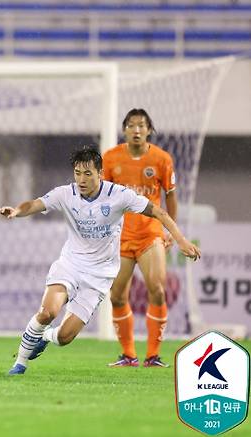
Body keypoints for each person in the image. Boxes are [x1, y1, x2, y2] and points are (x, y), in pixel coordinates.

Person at [0, 146, 200, 375]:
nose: (81, 179)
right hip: (70, 265)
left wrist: (181, 241)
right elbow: (34, 204)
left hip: (99, 275)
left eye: (88, 173)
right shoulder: (65, 194)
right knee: (48, 312)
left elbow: (159, 212)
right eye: (77, 173)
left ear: (100, 173)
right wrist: (15, 211)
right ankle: (20, 363)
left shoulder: (119, 195)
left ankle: (45, 336)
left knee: (64, 338)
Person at [103, 108, 177, 368]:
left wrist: (170, 230)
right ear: (124, 129)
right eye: (131, 125)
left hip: (150, 235)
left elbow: (170, 195)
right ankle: (128, 355)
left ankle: (153, 356)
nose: (136, 130)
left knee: (156, 289)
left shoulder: (162, 159)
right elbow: (104, 198)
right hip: (120, 237)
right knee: (116, 296)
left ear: (149, 130)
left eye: (141, 126)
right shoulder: (111, 158)